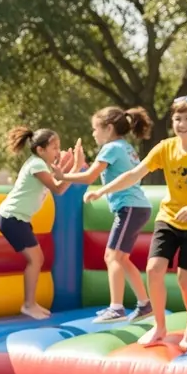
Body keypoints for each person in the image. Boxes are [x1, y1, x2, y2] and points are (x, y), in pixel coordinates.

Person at [87, 94, 187, 350]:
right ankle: (160, 327)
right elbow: (134, 174)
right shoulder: (165, 148)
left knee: (185, 281)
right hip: (169, 218)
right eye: (177, 118)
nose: (181, 123)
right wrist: (103, 190)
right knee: (154, 269)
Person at [58, 107, 154, 323]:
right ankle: (145, 304)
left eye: (95, 129)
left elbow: (91, 175)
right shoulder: (126, 147)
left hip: (130, 208)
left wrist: (62, 175)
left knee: (112, 257)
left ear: (109, 128)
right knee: (122, 258)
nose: (93, 134)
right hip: (136, 207)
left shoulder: (110, 148)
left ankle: (116, 308)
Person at [0, 126, 78, 319]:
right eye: (54, 148)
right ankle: (28, 304)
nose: (58, 151)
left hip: (18, 218)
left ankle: (31, 303)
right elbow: (58, 188)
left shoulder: (40, 164)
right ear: (40, 150)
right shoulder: (37, 165)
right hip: (11, 217)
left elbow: (58, 180)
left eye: (59, 147)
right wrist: (74, 168)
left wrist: (68, 168)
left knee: (37, 259)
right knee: (36, 259)